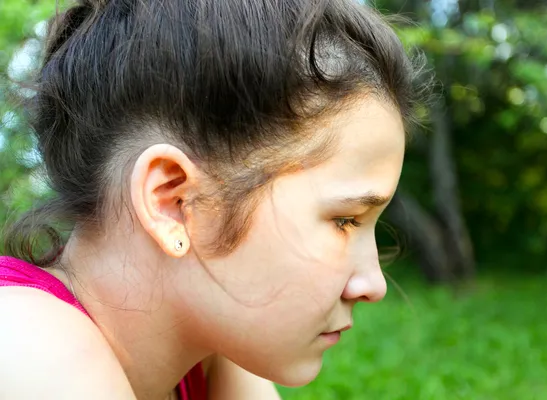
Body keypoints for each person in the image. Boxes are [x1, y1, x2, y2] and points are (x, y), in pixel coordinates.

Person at [0, 0, 423, 398]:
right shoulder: (24, 339)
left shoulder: (213, 351)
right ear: (175, 203)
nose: (373, 285)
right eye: (345, 220)